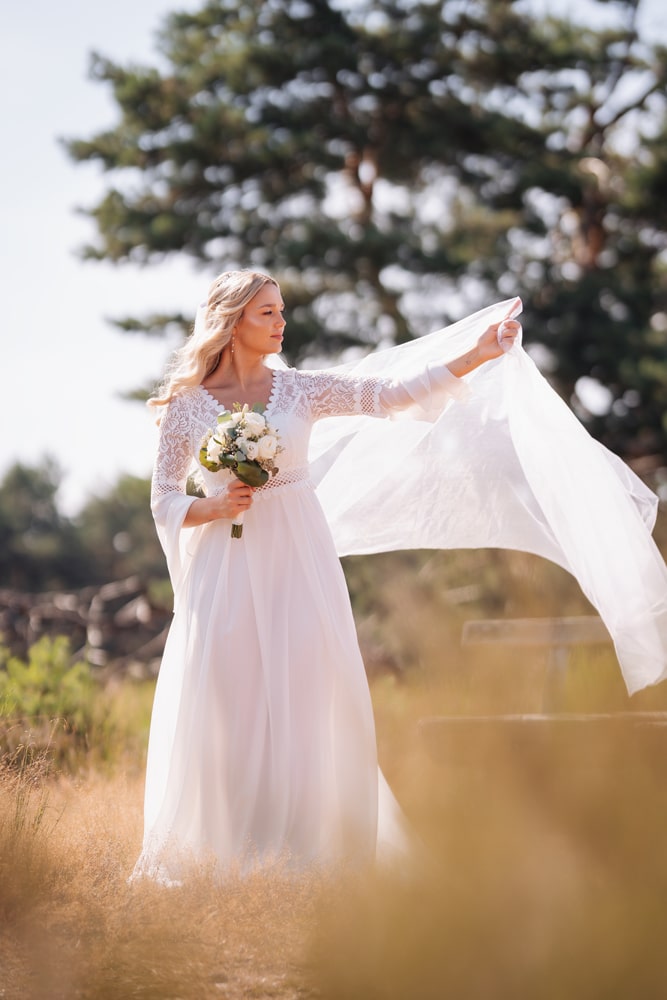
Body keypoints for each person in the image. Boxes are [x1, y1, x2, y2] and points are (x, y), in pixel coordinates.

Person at [131, 269, 523, 882]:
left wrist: (477, 352)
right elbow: (162, 498)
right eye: (268, 313)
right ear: (234, 322)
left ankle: (307, 845)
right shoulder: (188, 406)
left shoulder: (301, 391)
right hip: (224, 564)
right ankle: (227, 845)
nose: (282, 321)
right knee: (228, 693)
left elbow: (391, 393)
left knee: (308, 686)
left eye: (281, 310)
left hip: (298, 555)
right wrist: (212, 506)